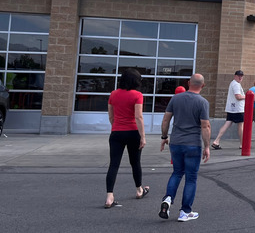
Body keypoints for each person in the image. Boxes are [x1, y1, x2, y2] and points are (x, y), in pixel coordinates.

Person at [159, 73, 210, 222]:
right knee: (191, 178)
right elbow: (205, 126)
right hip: (192, 144)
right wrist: (207, 146)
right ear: (203, 85)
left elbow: (166, 119)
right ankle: (185, 212)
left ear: (188, 83)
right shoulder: (203, 102)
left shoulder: (175, 99)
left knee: (177, 172)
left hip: (176, 142)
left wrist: (164, 137)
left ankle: (168, 199)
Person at [104, 68, 148, 208]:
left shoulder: (113, 94)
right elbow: (138, 117)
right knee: (135, 163)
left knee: (114, 164)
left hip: (117, 132)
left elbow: (111, 116)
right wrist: (143, 136)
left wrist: (116, 126)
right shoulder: (137, 95)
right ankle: (139, 190)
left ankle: (109, 197)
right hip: (133, 132)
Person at [211, 70, 246, 150]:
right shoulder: (236, 84)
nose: (240, 77)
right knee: (241, 125)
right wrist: (247, 96)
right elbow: (238, 96)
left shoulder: (232, 83)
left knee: (227, 124)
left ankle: (216, 141)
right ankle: (242, 144)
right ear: (235, 76)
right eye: (239, 76)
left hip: (231, 108)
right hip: (238, 109)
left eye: (241, 76)